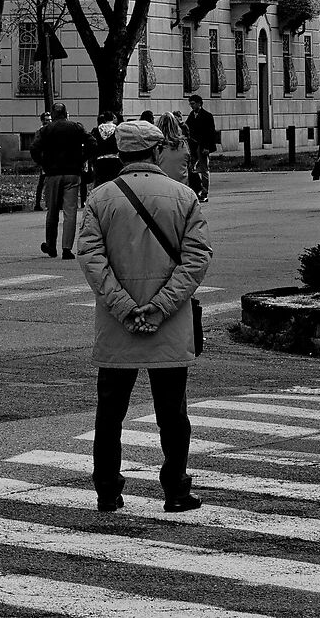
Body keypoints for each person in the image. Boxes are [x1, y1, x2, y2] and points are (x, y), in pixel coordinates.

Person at [74, 117, 211, 516]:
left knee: (110, 414)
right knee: (173, 413)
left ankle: (108, 492)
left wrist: (124, 306)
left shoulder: (100, 198)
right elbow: (196, 259)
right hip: (168, 324)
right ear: (156, 152)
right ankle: (176, 490)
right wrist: (161, 305)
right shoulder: (184, 197)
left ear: (121, 154)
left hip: (118, 326)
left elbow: (92, 259)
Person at [32, 103, 88, 258]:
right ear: (66, 113)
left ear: (53, 115)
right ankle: (67, 248)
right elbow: (92, 142)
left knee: (52, 211)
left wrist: (43, 163)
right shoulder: (76, 128)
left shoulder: (46, 130)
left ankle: (51, 245)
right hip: (72, 173)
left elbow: (34, 149)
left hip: (52, 174)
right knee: (70, 212)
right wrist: (82, 159)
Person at [182, 93, 218, 201]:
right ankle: (196, 190)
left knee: (204, 169)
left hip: (203, 146)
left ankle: (204, 191)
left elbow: (210, 133)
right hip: (193, 145)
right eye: (190, 104)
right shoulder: (192, 115)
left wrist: (207, 147)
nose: (192, 106)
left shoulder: (207, 116)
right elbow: (188, 128)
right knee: (191, 168)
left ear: (199, 104)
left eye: (193, 104)